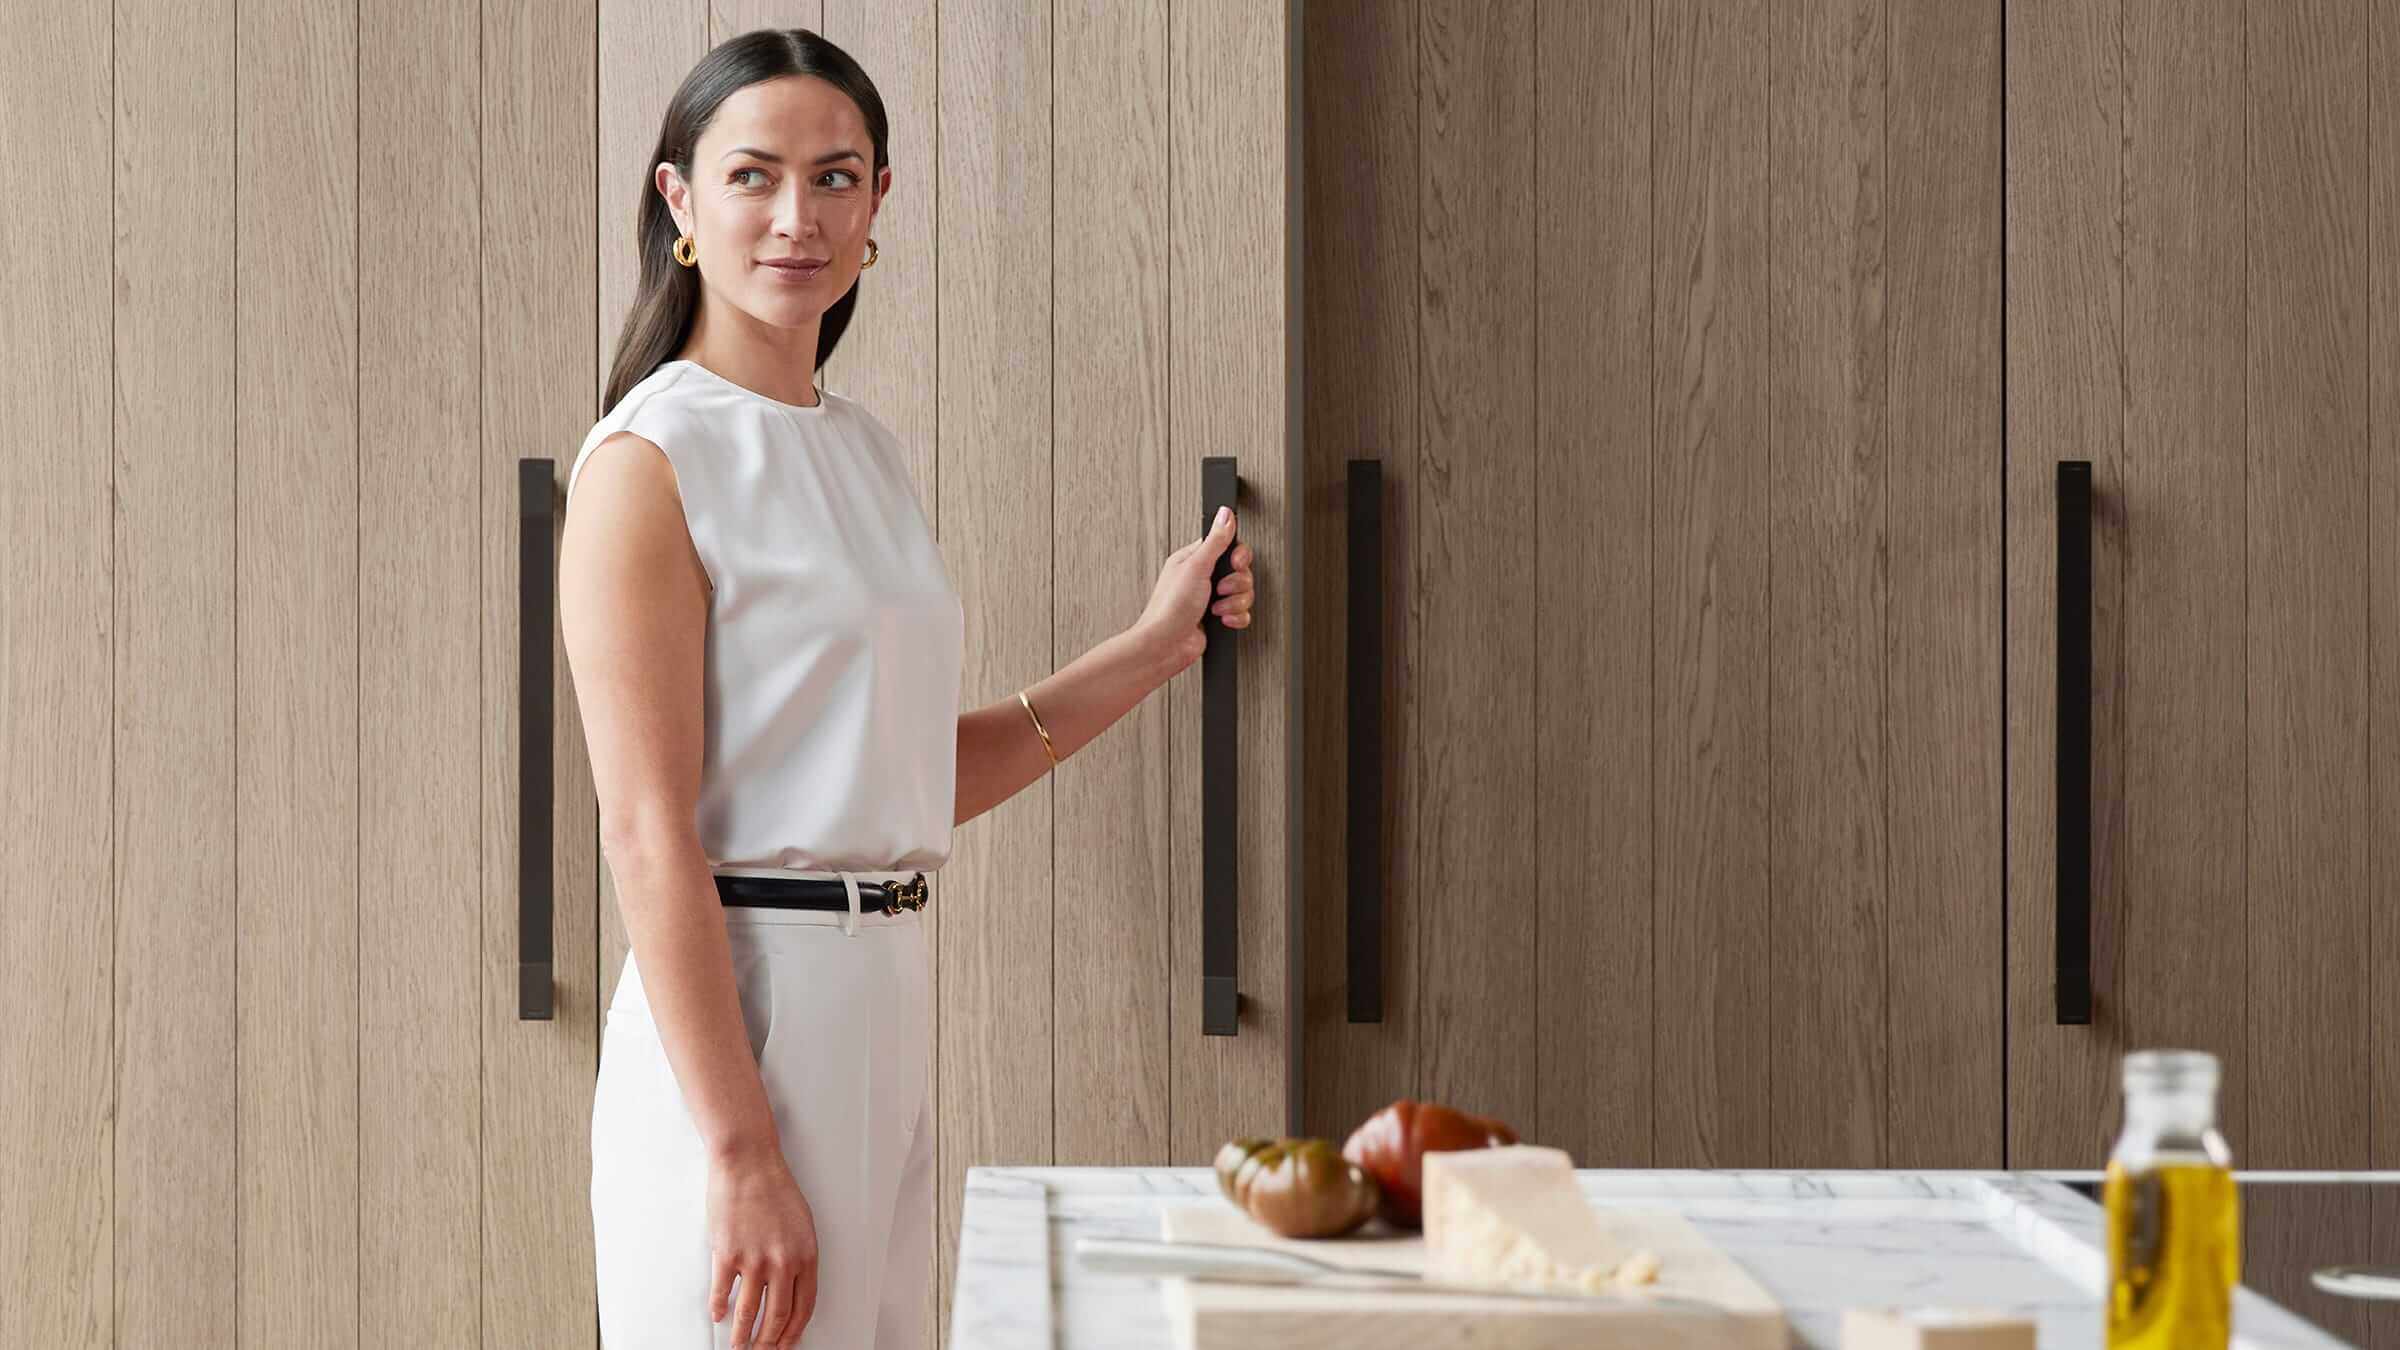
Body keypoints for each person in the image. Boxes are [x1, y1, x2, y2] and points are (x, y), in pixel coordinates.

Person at [559, 28, 1257, 1350]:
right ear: (679, 204)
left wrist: (1156, 645)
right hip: (741, 1019)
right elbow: (646, 830)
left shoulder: (867, 453)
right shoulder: (648, 461)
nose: (795, 216)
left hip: (881, 994)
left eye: (836, 178)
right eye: (754, 176)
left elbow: (901, 774)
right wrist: (741, 1148)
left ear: (880, 203)